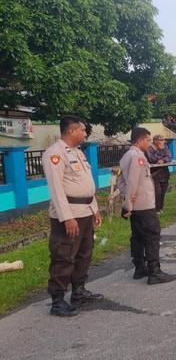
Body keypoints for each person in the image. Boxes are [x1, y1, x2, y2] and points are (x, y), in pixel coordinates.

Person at [42, 116, 103, 317]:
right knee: (63, 255)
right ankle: (57, 300)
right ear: (71, 131)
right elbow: (57, 190)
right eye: (83, 130)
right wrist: (67, 218)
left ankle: (78, 291)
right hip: (69, 216)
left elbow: (86, 185)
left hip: (85, 212)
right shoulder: (55, 154)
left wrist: (94, 208)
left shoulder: (78, 153)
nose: (85, 133)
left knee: (84, 254)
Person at [119, 127, 176, 284]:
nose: (149, 143)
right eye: (148, 140)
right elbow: (132, 182)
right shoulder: (136, 156)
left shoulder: (127, 156)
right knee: (152, 235)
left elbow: (122, 182)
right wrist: (128, 205)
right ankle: (154, 271)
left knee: (137, 236)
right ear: (140, 140)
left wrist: (127, 202)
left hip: (136, 204)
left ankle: (139, 267)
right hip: (143, 204)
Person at [146, 135, 172, 213]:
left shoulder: (165, 147)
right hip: (155, 174)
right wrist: (160, 154)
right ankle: (156, 209)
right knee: (157, 192)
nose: (163, 142)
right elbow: (151, 159)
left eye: (163, 140)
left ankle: (161, 208)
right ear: (155, 141)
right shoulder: (149, 148)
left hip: (164, 173)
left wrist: (163, 160)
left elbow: (169, 157)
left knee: (163, 191)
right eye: (161, 140)